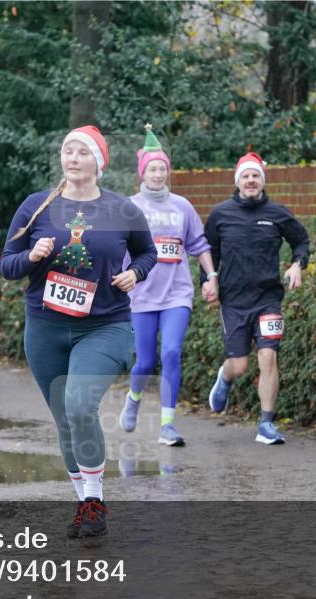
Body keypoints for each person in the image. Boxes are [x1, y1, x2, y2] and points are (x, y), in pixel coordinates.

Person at [0, 125, 157, 538]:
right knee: (66, 420)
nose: (73, 158)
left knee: (79, 404)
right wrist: (32, 256)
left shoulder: (122, 209)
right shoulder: (37, 206)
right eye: (67, 150)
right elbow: (8, 263)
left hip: (105, 326)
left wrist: (135, 274)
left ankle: (94, 499)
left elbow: (147, 252)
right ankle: (84, 503)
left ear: (98, 163)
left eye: (82, 152)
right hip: (46, 329)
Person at [119, 124, 216, 447]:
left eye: (163, 169)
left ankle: (167, 425)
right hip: (141, 295)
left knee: (172, 353)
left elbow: (198, 244)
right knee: (145, 362)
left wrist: (211, 276)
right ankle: (133, 398)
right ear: (143, 173)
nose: (158, 174)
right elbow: (117, 249)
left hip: (177, 293)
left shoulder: (182, 206)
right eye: (152, 169)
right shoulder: (130, 207)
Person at [204, 152, 310, 445]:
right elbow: (209, 252)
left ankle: (266, 424)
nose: (251, 181)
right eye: (246, 176)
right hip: (234, 301)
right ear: (238, 181)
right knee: (239, 366)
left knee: (268, 357)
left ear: (262, 181)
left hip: (268, 299)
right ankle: (224, 377)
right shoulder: (220, 214)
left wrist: (297, 264)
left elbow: (301, 240)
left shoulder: (278, 214)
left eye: (256, 176)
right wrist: (208, 280)